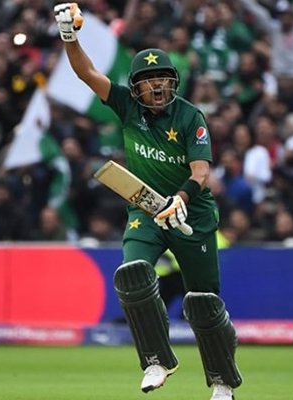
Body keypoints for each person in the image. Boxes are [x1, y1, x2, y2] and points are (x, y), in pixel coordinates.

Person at [53, 4, 242, 399]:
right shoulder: (126, 105)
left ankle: (222, 383)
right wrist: (69, 36)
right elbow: (86, 73)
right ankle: (156, 359)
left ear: (173, 83)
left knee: (204, 304)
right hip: (148, 209)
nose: (156, 87)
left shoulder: (191, 117)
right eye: (148, 80)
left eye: (163, 79)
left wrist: (181, 198)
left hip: (194, 213)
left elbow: (202, 171)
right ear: (136, 86)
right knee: (133, 273)